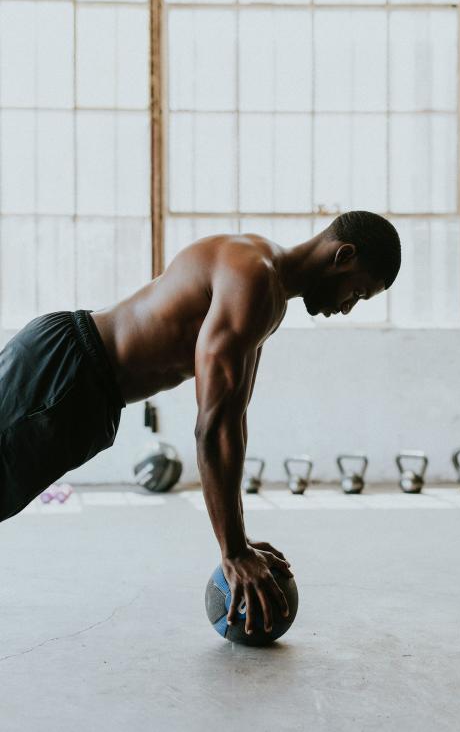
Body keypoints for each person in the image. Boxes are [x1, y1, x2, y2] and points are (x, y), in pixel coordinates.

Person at [0, 210, 401, 635]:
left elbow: (235, 419)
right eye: (356, 292)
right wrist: (232, 552)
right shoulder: (254, 276)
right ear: (343, 255)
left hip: (86, 385)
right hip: (69, 369)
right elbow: (213, 427)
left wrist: (239, 541)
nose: (346, 307)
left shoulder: (269, 291)